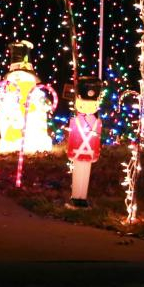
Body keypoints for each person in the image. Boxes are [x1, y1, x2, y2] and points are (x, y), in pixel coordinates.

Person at [0, 40, 53, 154]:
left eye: (22, 76)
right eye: (16, 76)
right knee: (13, 127)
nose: (19, 79)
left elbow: (44, 103)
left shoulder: (36, 93)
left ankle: (33, 144)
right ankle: (13, 144)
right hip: (13, 129)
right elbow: (1, 102)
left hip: (32, 131)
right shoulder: (9, 95)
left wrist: (45, 104)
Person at [65, 76, 105, 208]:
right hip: (78, 151)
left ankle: (82, 197)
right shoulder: (75, 121)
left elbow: (97, 139)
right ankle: (76, 196)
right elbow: (72, 137)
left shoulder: (97, 122)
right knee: (77, 174)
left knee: (85, 174)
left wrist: (95, 152)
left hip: (87, 152)